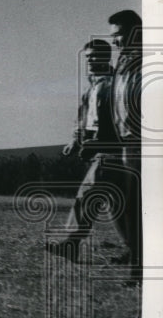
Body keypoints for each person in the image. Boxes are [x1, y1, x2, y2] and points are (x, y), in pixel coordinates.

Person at [48, 40, 123, 257]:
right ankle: (137, 252)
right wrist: (75, 140)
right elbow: (82, 117)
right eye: (87, 56)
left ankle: (71, 244)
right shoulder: (92, 86)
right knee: (118, 205)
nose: (90, 60)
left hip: (110, 151)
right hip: (98, 150)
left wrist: (97, 144)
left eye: (94, 56)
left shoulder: (113, 85)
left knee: (88, 195)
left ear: (106, 57)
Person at [108, 9, 142, 270]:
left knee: (135, 202)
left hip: (140, 141)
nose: (114, 41)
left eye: (117, 35)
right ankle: (133, 251)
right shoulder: (122, 63)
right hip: (124, 140)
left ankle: (138, 263)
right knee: (122, 199)